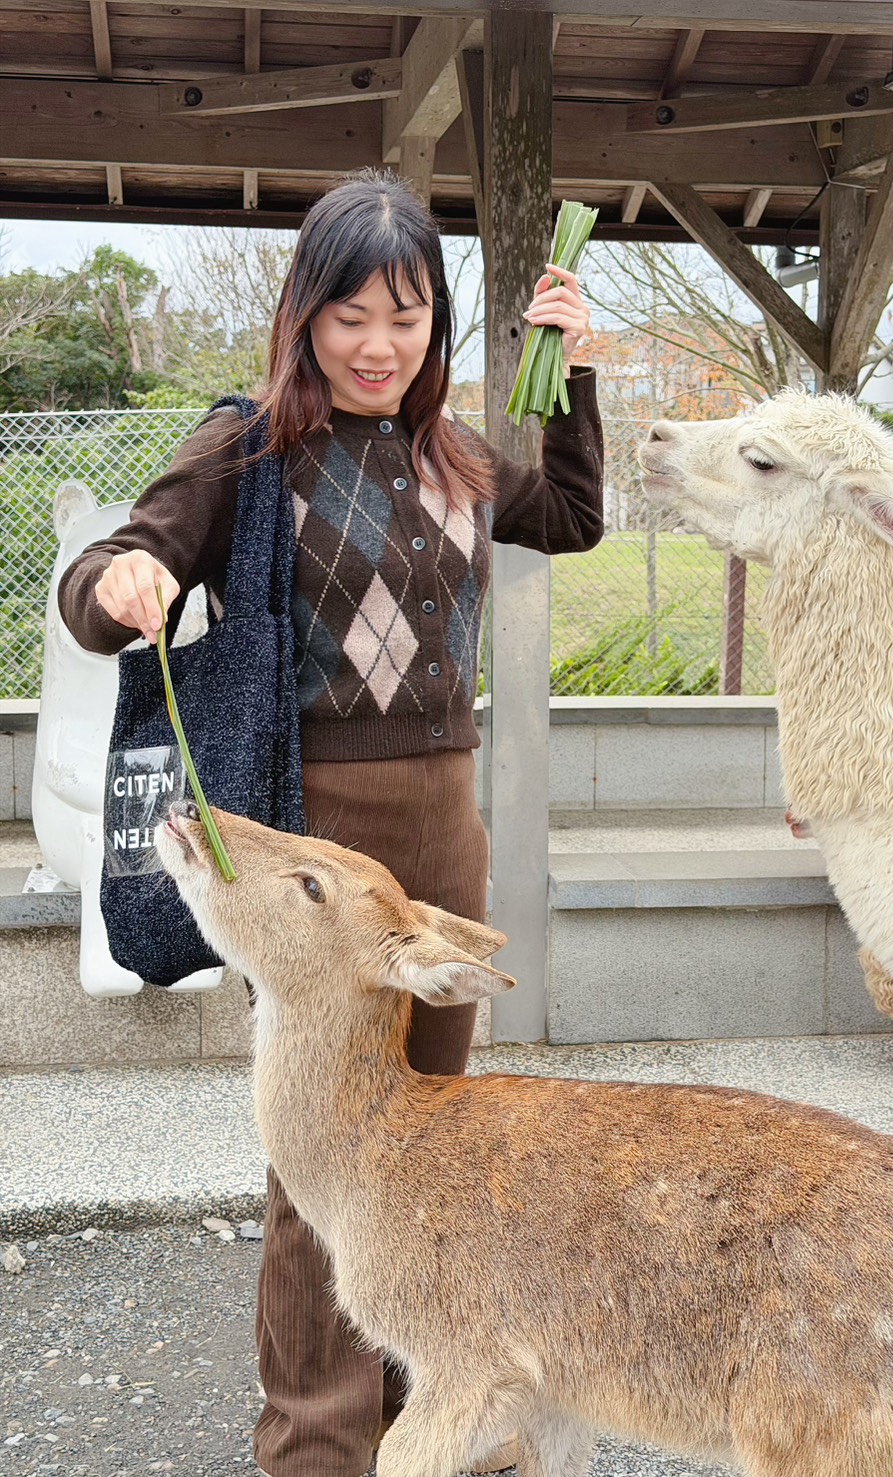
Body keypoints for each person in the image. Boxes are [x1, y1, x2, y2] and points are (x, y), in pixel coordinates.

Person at [59, 169, 604, 1477]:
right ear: (304, 316)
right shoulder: (249, 443)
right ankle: (314, 1445)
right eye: (350, 315)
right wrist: (121, 576)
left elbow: (576, 516)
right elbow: (106, 572)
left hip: (442, 854)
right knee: (327, 1171)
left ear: (437, 325)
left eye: (406, 316)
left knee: (441, 1152)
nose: (377, 345)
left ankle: (448, 1423)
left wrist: (578, 373)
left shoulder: (459, 457)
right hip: (312, 858)